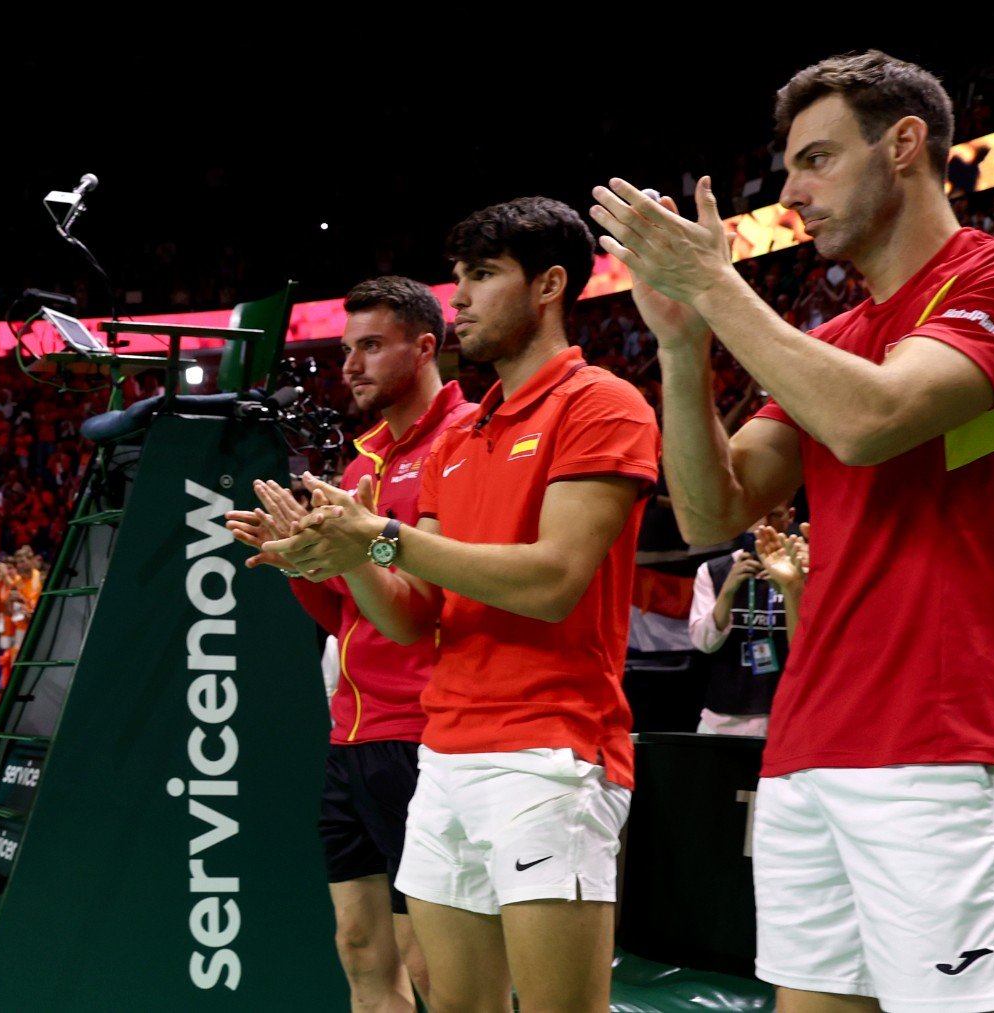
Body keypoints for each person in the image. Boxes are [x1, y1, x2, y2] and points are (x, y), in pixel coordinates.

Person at [594, 51, 994, 1011]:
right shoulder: (832, 339)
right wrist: (682, 343)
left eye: (816, 161)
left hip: (946, 740)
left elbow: (872, 422)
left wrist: (720, 289)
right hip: (808, 740)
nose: (793, 195)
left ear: (904, 145)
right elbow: (712, 510)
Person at [268, 198, 659, 1010]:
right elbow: (413, 613)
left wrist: (382, 536)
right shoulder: (460, 438)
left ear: (550, 285)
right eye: (459, 278)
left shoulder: (601, 404)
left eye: (483, 276)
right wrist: (341, 554)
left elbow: (553, 582)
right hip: (445, 753)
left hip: (552, 753)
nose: (462, 299)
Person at [228, 275, 470, 1010]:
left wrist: (357, 553)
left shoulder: (460, 446)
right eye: (346, 348)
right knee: (360, 946)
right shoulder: (364, 466)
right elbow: (343, 614)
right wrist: (299, 560)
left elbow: (423, 604)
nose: (352, 365)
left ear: (424, 347)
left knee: (435, 962)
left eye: (371, 345)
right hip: (352, 734)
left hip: (424, 733)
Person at [686, 503, 798, 736]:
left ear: (790, 517)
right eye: (756, 515)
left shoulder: (802, 573)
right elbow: (704, 644)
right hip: (722, 719)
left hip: (787, 717)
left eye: (774, 515)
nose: (764, 524)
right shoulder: (713, 571)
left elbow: (811, 646)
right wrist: (727, 592)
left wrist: (790, 590)